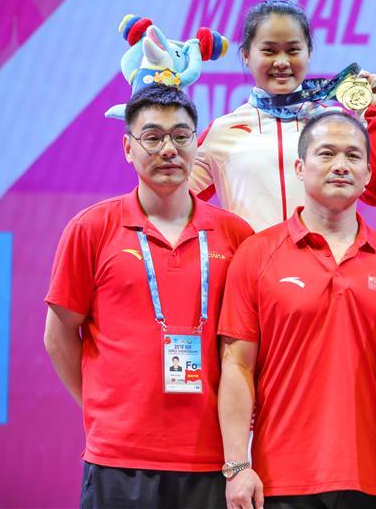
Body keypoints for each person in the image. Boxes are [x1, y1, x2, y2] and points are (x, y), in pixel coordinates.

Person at [44, 84, 254, 509]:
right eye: (152, 137)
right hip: (118, 458)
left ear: (196, 144)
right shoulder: (92, 228)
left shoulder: (235, 235)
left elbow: (245, 348)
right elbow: (59, 335)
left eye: (180, 136)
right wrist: (103, 408)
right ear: (127, 147)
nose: (169, 149)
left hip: (210, 459)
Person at [218, 111, 376, 509]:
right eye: (326, 153)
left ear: (368, 173)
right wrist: (236, 464)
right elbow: (237, 365)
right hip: (278, 479)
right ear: (299, 167)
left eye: (352, 156)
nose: (340, 165)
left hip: (370, 478)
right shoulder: (256, 254)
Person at [191, 0, 376, 232]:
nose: (282, 62)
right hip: (251, 266)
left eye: (293, 50)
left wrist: (370, 116)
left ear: (309, 53)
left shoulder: (338, 124)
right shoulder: (222, 131)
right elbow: (172, 201)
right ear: (246, 55)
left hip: (325, 266)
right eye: (269, 50)